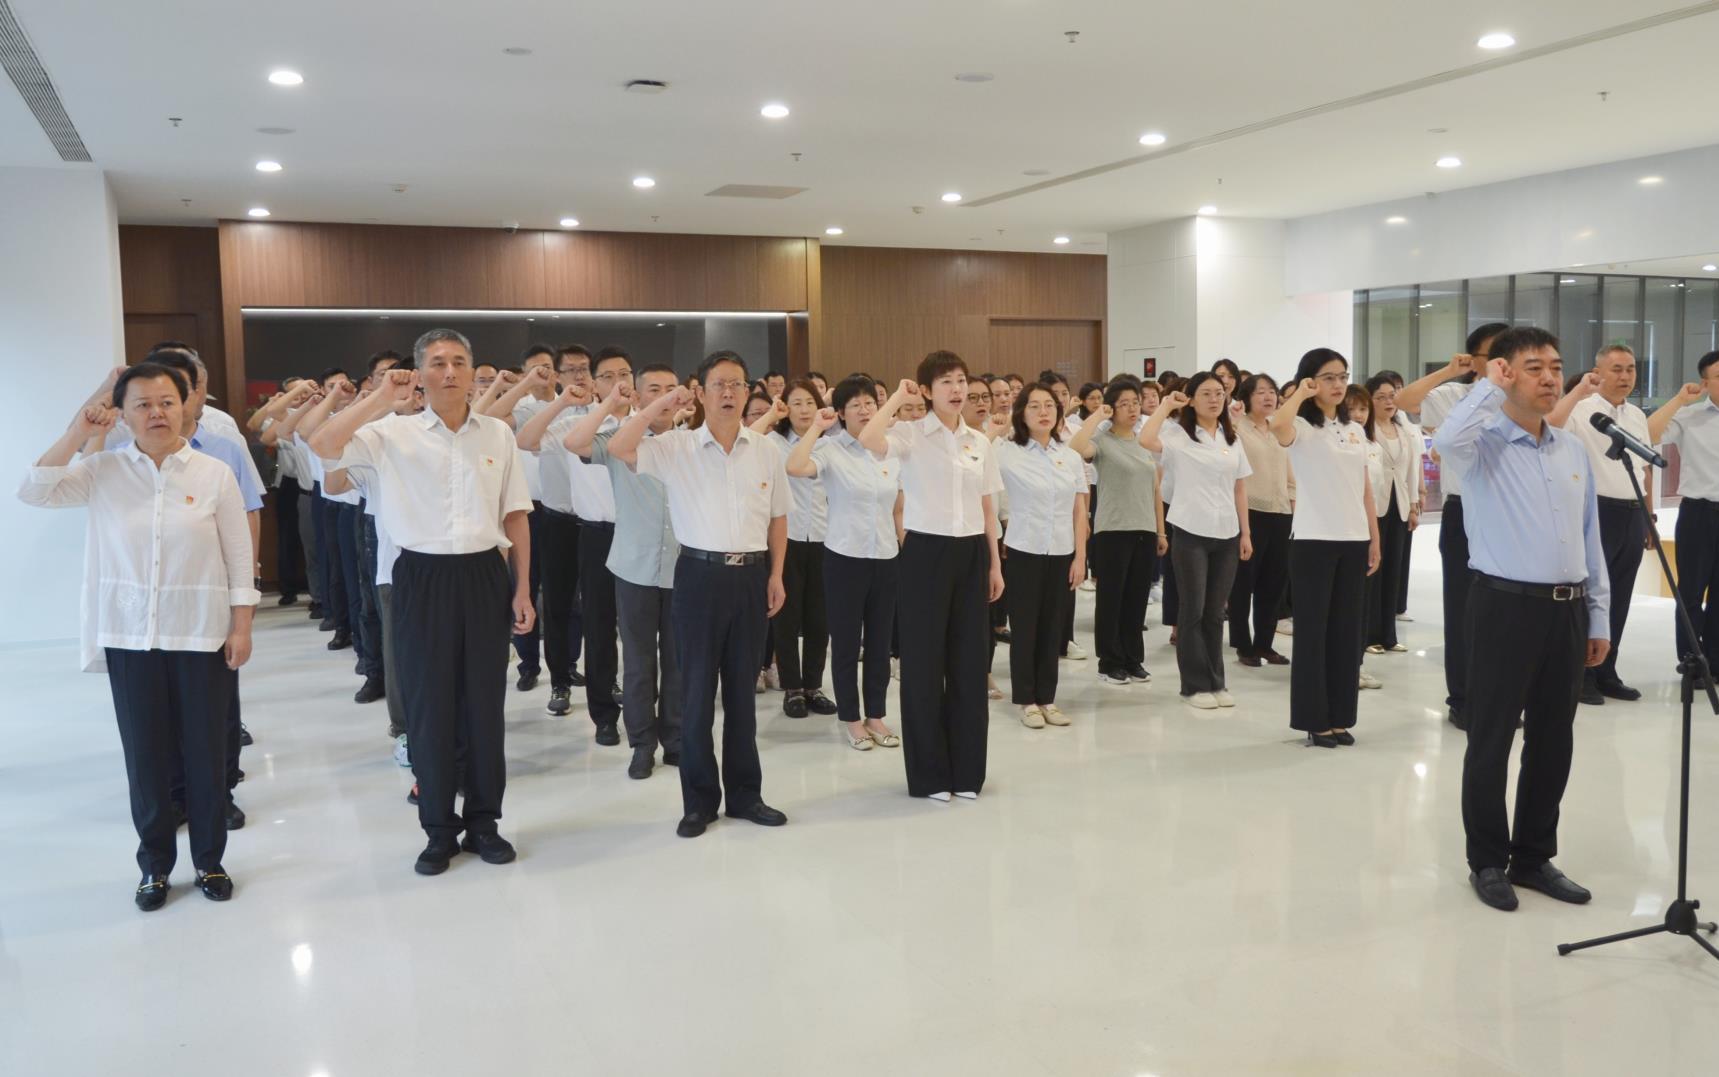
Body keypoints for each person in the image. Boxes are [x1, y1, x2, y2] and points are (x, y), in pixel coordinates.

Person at [20, 363, 257, 908]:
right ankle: (154, 867)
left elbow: (239, 557)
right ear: (123, 415)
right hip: (131, 637)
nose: (157, 413)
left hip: (200, 634)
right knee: (146, 758)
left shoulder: (213, 473)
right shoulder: (102, 470)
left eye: (167, 402)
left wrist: (241, 625)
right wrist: (79, 431)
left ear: (185, 406)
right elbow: (34, 490)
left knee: (206, 754)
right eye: (143, 404)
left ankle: (209, 861)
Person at [311, 330, 534, 876]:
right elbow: (323, 445)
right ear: (419, 373)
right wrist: (379, 399)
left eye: (459, 362)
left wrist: (523, 587)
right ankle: (437, 827)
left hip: (484, 573)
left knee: (484, 706)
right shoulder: (389, 432)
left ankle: (484, 822)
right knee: (429, 708)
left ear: (473, 370)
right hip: (419, 577)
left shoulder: (498, 434)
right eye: (437, 363)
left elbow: (515, 515)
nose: (450, 372)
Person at [1431, 327, 1610, 912]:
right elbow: (1444, 440)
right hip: (1504, 607)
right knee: (1491, 739)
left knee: (1554, 740)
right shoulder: (1480, 445)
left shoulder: (1571, 449)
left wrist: (1599, 616)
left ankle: (1533, 856)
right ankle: (1486, 860)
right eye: (1533, 368)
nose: (1550, 378)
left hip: (1567, 609)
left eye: (1555, 366)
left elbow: (1590, 538)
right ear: (1505, 373)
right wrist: (1489, 385)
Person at [604, 351, 789, 837]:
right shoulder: (677, 446)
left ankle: (746, 795)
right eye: (718, 384)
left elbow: (778, 518)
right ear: (701, 392)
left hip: (751, 576)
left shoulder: (766, 450)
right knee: (696, 694)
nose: (729, 392)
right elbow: (620, 447)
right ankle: (699, 802)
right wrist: (660, 403)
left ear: (748, 392)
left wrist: (776, 575)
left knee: (743, 696)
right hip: (698, 577)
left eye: (737, 384)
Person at [861, 352, 1004, 800]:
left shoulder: (979, 442)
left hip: (971, 553)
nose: (957, 389)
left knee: (969, 663)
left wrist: (994, 563)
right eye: (945, 382)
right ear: (926, 390)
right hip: (925, 553)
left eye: (961, 380)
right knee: (923, 666)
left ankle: (967, 773)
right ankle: (929, 776)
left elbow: (987, 508)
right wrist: (896, 398)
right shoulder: (910, 434)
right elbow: (868, 437)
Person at [570, 367, 685, 778]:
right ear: (637, 396)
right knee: (638, 661)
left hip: (683, 567)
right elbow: (574, 442)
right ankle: (642, 743)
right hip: (634, 566)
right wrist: (610, 404)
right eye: (654, 390)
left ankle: (676, 739)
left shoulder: (691, 441)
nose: (665, 397)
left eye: (671, 389)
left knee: (679, 660)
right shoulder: (619, 441)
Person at [1395, 323, 1509, 729]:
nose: (1504, 362)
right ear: (1475, 360)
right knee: (1463, 610)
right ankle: (1463, 698)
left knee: (1505, 612)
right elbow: (1404, 401)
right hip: (1464, 511)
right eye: (1494, 355)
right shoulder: (1453, 396)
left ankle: (1500, 698)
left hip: (1508, 513)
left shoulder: (1519, 401)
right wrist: (1448, 371)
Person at [784, 375, 904, 750]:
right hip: (844, 558)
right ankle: (851, 718)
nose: (865, 410)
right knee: (847, 643)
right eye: (856, 405)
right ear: (841, 413)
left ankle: (876, 715)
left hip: (885, 556)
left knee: (880, 644)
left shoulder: (889, 449)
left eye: (870, 403)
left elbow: (898, 506)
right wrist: (816, 428)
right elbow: (794, 466)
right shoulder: (831, 449)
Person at [1272, 351, 1380, 746]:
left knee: (1346, 634)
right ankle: (1313, 719)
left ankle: (1339, 717)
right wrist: (1300, 393)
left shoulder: (1353, 429)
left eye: (1343, 376)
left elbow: (1364, 487)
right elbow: (1277, 425)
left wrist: (1373, 537)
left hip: (1354, 538)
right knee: (1313, 634)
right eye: (1328, 377)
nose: (1338, 384)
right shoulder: (1301, 426)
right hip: (1314, 539)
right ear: (1311, 381)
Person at [1140, 371, 1252, 709]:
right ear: (1191, 399)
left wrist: (1245, 533)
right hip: (1191, 532)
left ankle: (1217, 682)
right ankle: (1194, 685)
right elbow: (1145, 439)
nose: (1214, 399)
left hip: (1227, 533)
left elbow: (1240, 487)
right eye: (1205, 393)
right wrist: (1166, 405)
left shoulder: (1231, 438)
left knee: (1215, 612)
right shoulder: (1178, 435)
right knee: (1193, 609)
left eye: (1219, 393)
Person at [1551, 345, 1651, 705]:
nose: (1625, 376)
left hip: (1632, 512)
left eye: (1631, 369)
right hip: (1596, 510)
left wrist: (1648, 517)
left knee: (1620, 596)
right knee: (1591, 595)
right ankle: (1582, 675)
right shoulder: (1581, 409)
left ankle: (1608, 671)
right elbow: (1550, 427)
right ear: (1598, 372)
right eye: (1617, 369)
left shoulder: (1636, 415)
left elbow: (1644, 469)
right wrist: (1577, 392)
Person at [995, 384, 1094, 726]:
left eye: (1049, 405)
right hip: (1024, 548)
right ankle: (1026, 699)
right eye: (1034, 406)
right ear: (1021, 413)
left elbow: (1080, 511)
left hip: (1062, 550)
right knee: (1025, 627)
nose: (1043, 412)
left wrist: (1080, 558)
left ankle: (1047, 698)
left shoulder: (1069, 456)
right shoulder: (1007, 452)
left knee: (1053, 629)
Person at [511, 346, 592, 716]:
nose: (579, 375)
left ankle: (589, 671)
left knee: (595, 607)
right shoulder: (547, 414)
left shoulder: (607, 412)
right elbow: (525, 441)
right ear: (557, 375)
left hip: (599, 524)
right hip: (557, 520)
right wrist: (561, 404)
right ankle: (559, 681)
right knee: (557, 605)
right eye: (571, 370)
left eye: (585, 368)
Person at [1069, 379, 1163, 686]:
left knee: (1136, 598)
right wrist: (1098, 415)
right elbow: (1075, 447)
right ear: (1112, 408)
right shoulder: (1102, 441)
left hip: (1144, 529)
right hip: (1113, 530)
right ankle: (1109, 661)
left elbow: (1155, 489)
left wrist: (1160, 532)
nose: (1132, 408)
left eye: (1135, 402)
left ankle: (1133, 659)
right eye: (1124, 403)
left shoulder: (1144, 442)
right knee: (1112, 598)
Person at [768, 379, 836, 717]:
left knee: (819, 620)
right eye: (796, 403)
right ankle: (792, 688)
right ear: (785, 408)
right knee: (786, 616)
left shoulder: (830, 444)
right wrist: (771, 415)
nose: (805, 409)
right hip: (787, 539)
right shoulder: (774, 442)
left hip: (824, 537)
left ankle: (813, 685)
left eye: (810, 402)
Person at [1648, 357, 1719, 672]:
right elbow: (1649, 434)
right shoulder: (1689, 416)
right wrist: (1678, 400)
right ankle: (1692, 660)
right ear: (1704, 383)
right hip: (1699, 513)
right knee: (1691, 590)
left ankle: (1716, 660)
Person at [1229, 373, 1292, 667]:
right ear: (1246, 397)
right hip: (1250, 512)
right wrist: (1232, 419)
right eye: (1260, 392)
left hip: (1281, 512)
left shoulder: (1279, 428)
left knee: (1273, 583)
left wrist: (1293, 505)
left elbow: (1290, 473)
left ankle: (1265, 644)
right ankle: (1244, 645)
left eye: (1272, 391)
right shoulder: (1237, 428)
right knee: (1244, 583)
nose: (1268, 397)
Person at [1363, 373, 1422, 656]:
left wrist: (1413, 505)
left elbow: (1410, 469)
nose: (1389, 402)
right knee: (1373, 571)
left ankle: (1388, 635)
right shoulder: (1364, 431)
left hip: (1399, 505)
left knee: (1393, 572)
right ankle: (1368, 635)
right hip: (1374, 506)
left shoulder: (1403, 430)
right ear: (1370, 400)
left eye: (1392, 396)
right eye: (1381, 397)